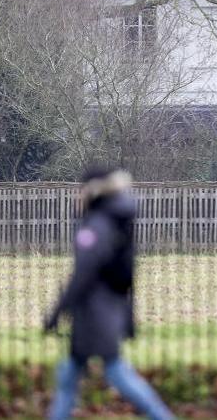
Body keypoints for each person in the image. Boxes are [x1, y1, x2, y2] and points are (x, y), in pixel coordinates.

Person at [42, 165, 174, 420]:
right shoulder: (114, 221)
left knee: (116, 373)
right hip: (105, 311)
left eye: (78, 190)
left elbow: (83, 274)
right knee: (69, 374)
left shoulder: (96, 226)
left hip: (95, 315)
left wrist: (57, 312)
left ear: (91, 191)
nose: (75, 196)